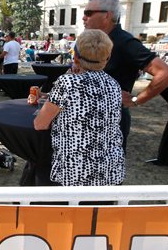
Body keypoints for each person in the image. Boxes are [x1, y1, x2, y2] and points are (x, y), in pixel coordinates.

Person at [83, 0, 168, 151]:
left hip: (109, 122)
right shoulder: (96, 40)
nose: (84, 17)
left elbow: (167, 73)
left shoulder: (124, 42)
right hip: (87, 119)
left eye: (89, 13)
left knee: (104, 173)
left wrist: (136, 100)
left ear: (107, 16)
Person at [34, 29, 125, 186]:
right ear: (107, 57)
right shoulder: (114, 84)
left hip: (75, 173)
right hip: (110, 171)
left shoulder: (67, 83)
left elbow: (40, 124)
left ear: (75, 57)